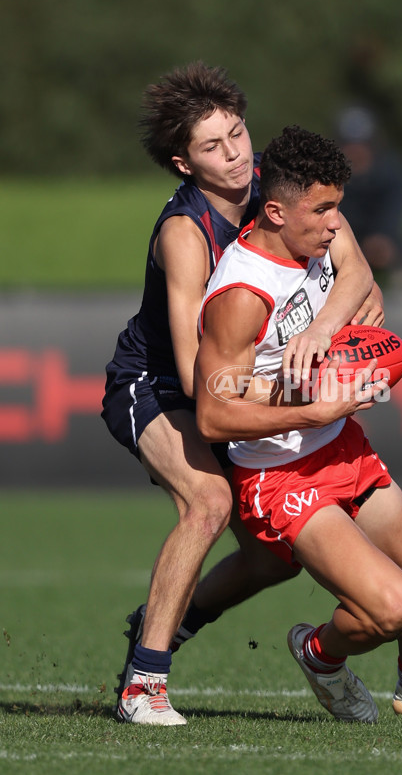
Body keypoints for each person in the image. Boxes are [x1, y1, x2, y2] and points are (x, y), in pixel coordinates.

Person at [194, 125, 402, 723]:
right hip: (280, 475)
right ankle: (318, 655)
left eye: (338, 206)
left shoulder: (321, 229)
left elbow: (358, 271)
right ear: (275, 211)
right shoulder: (242, 294)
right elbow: (214, 412)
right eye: (322, 210)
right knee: (390, 608)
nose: (335, 222)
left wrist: (322, 334)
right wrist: (315, 405)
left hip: (339, 444)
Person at [101, 62, 383, 726]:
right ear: (182, 163)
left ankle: (170, 616)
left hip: (242, 383)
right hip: (158, 385)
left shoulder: (273, 189)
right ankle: (144, 683)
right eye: (212, 146)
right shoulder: (185, 233)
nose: (235, 154)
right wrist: (297, 383)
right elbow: (202, 376)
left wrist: (322, 330)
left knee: (274, 557)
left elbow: (358, 271)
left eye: (237, 133)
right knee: (207, 501)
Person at [334, 106, 402, 283]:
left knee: (390, 250)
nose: (355, 151)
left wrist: (382, 236)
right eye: (349, 145)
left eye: (361, 145)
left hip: (378, 238)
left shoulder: (391, 173)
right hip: (338, 236)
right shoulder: (329, 176)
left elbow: (394, 213)